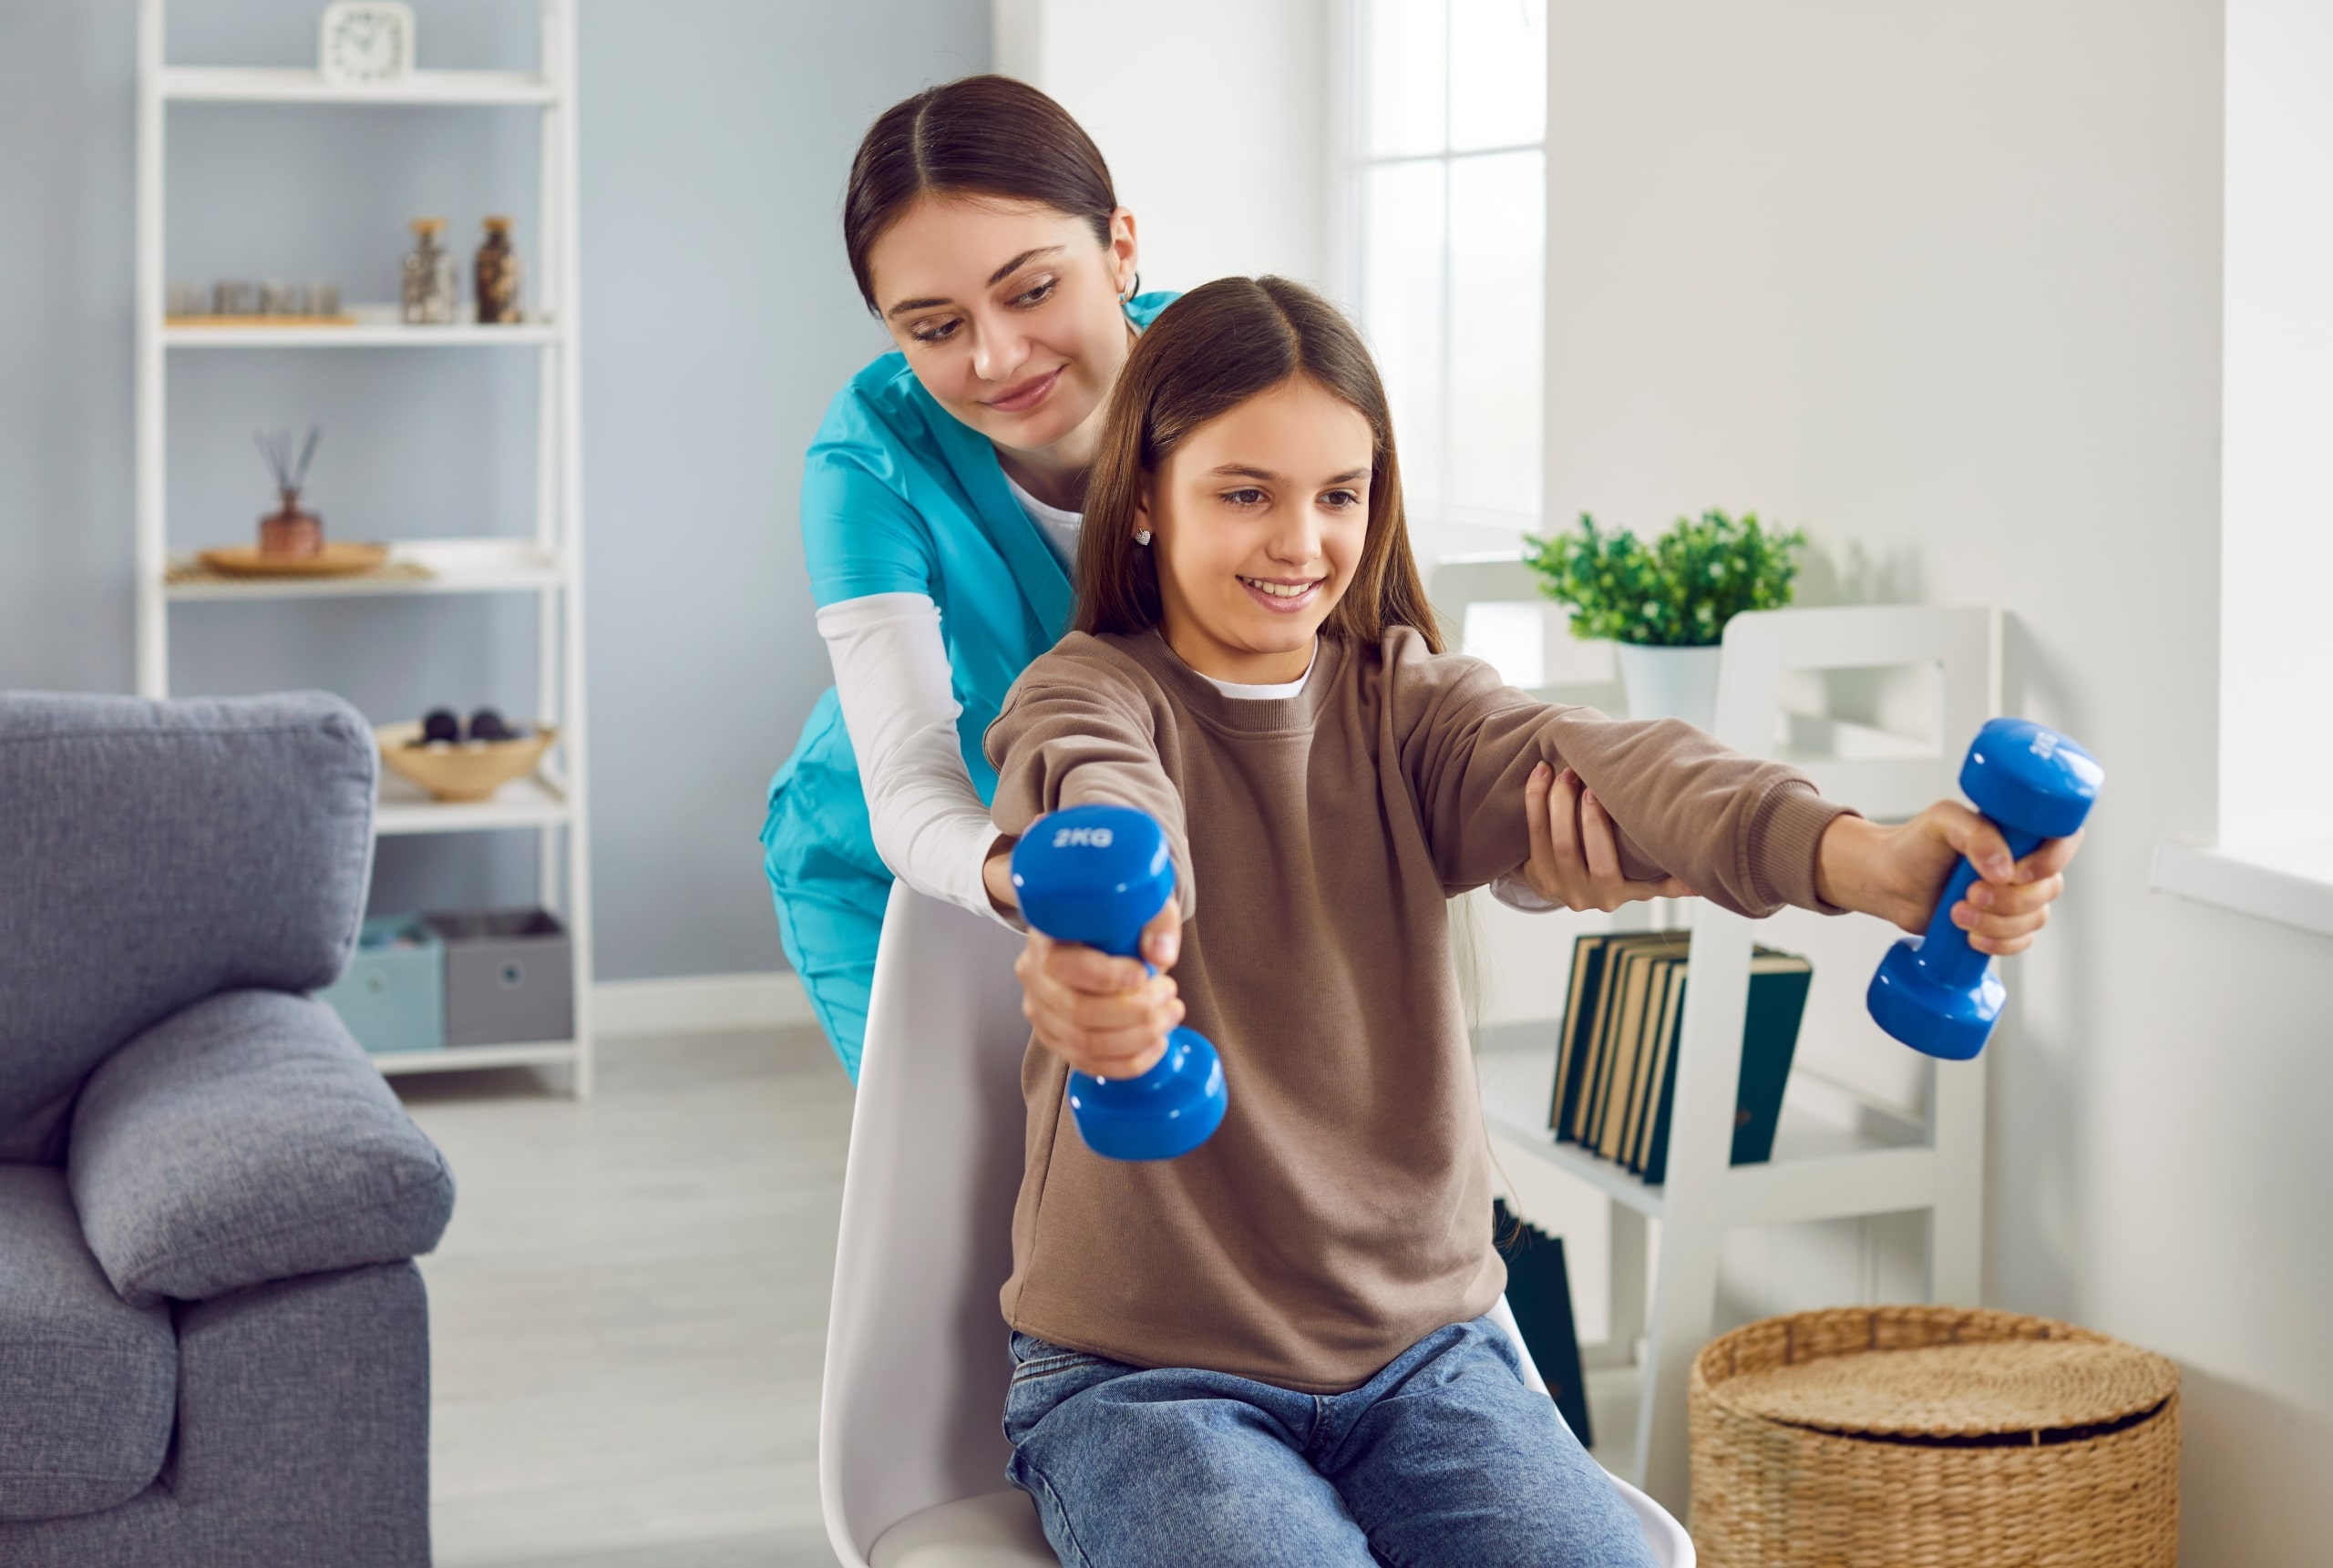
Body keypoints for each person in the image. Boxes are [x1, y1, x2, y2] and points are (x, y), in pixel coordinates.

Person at [982, 277, 2081, 1566]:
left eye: (1340, 494)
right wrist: (1102, 930)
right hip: (1149, 1375)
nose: (1302, 542)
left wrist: (1867, 859)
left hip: (1424, 1356)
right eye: (1244, 493)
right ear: (1145, 498)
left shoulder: (1405, 705)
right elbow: (1102, 794)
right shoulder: (1088, 695)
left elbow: (1622, 762)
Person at [763, 76, 1676, 1076]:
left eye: (1031, 291)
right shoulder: (871, 461)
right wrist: (1042, 877)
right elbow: (908, 777)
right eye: (934, 327)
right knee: (972, 1168)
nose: (996, 356)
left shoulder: (1249, 375)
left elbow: (1383, 707)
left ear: (1119, 249)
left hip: (1142, 857)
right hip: (910, 861)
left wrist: (1532, 865)